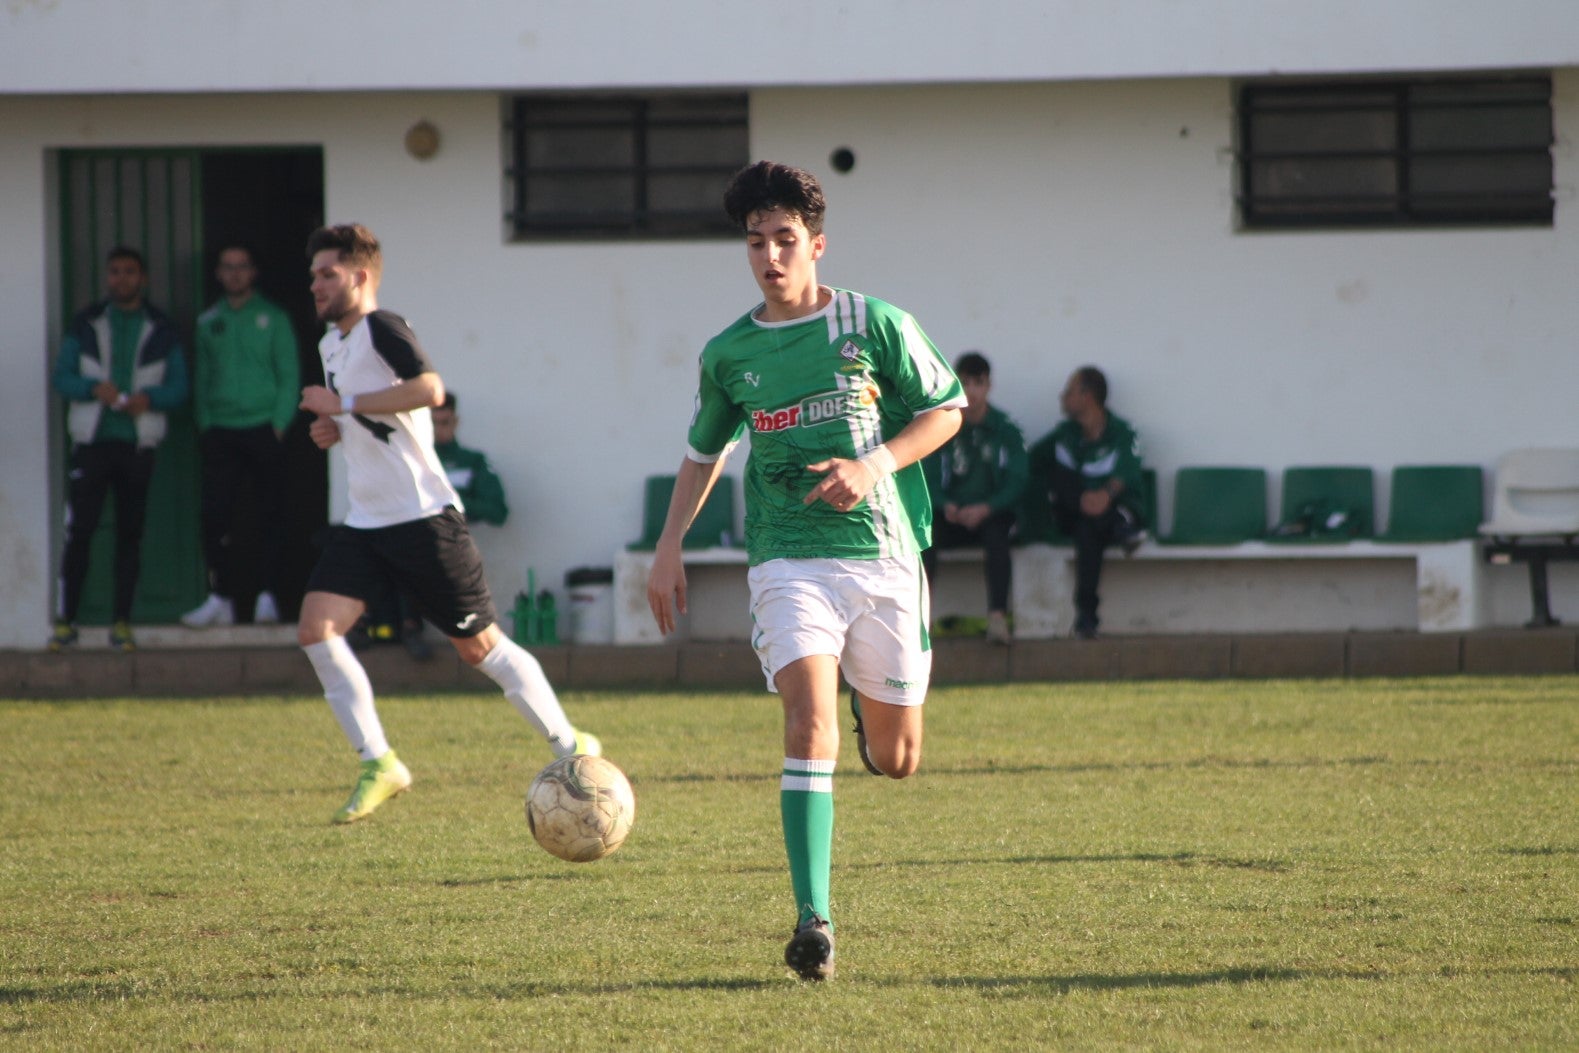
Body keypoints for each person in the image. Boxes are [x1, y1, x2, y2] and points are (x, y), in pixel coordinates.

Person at [645, 162, 964, 981]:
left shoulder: (873, 323)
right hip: (787, 560)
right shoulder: (730, 353)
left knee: (897, 759)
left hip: (885, 556)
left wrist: (876, 464)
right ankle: (812, 920)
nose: (770, 255)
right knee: (804, 724)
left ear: (816, 244)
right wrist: (668, 546)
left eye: (785, 239)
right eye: (756, 241)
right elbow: (701, 453)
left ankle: (871, 718)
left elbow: (947, 407)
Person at [294, 223, 598, 825]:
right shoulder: (334, 344)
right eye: (313, 276)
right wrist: (334, 428)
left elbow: (429, 389)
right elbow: (362, 417)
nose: (316, 285)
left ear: (360, 276)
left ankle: (571, 745)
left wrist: (344, 407)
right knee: (315, 628)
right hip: (366, 522)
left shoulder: (383, 326)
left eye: (327, 274)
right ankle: (379, 762)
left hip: (424, 519)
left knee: (479, 647)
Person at [49, 246, 190, 653]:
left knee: (130, 535)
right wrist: (94, 388)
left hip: (137, 443)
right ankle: (67, 621)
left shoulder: (161, 327)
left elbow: (179, 388)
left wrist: (152, 398)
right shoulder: (86, 323)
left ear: (142, 278)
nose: (121, 279)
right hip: (92, 443)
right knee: (80, 532)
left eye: (129, 272)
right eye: (114, 272)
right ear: (107, 277)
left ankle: (122, 623)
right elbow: (62, 378)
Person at [181, 244, 301, 629]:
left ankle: (268, 597)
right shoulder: (208, 321)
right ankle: (222, 599)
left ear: (253, 272)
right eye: (227, 266)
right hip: (221, 430)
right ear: (217, 272)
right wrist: (205, 422)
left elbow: (289, 375)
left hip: (265, 427)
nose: (234, 273)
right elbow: (200, 377)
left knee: (272, 513)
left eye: (242, 266)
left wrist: (280, 423)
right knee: (216, 517)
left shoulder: (274, 318)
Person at [357, 391, 509, 660]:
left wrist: (448, 502)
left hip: (453, 543)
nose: (440, 429)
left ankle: (411, 628)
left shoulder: (473, 462)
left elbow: (498, 511)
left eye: (446, 422)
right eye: (434, 423)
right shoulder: (412, 461)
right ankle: (372, 625)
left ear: (455, 421)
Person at [1027, 365, 1146, 640]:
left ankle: (1087, 617)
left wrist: (1105, 495)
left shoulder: (1122, 433)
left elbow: (1128, 472)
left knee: (1089, 529)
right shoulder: (1064, 435)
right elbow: (1030, 463)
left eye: (1069, 391)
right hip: (1075, 511)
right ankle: (1122, 531)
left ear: (1087, 395)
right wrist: (1080, 497)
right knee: (1059, 477)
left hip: (1104, 512)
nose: (1062, 397)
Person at [920, 351, 1028, 646]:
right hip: (953, 514)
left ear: (988, 386)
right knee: (924, 537)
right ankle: (919, 621)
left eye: (978, 383)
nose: (971, 391)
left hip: (990, 514)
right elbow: (926, 475)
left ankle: (996, 619)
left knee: (998, 537)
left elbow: (1017, 479)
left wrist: (987, 507)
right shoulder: (942, 425)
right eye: (964, 382)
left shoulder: (1006, 429)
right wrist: (946, 504)